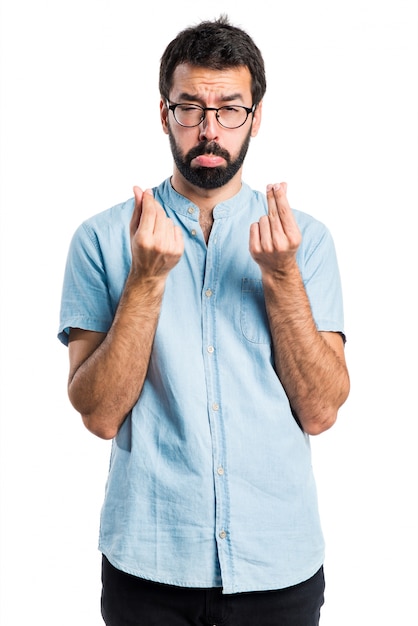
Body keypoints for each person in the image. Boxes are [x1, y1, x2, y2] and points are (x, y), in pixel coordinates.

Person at [58, 14, 350, 626]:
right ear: (164, 114)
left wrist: (282, 278)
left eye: (229, 109)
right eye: (189, 107)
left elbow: (322, 411)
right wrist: (145, 281)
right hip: (149, 569)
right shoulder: (103, 240)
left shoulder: (306, 244)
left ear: (257, 116)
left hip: (278, 567)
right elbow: (98, 414)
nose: (209, 129)